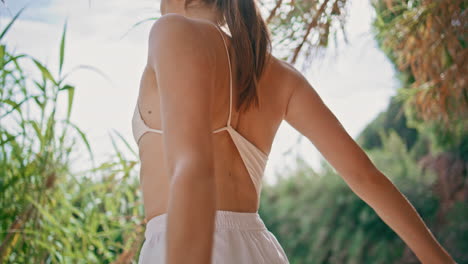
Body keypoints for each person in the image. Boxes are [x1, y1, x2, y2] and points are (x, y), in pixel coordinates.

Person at [131, 0, 457, 263]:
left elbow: (193, 168)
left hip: (185, 241)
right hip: (257, 249)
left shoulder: (172, 33)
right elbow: (365, 177)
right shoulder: (279, 76)